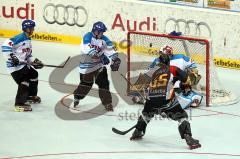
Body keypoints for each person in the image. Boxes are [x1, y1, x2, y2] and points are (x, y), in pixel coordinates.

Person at [130, 52, 201, 150]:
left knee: (146, 114)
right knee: (182, 117)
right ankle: (188, 137)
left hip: (151, 101)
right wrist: (185, 85)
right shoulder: (173, 69)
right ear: (168, 62)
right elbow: (187, 80)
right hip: (166, 101)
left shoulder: (153, 70)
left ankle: (138, 131)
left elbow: (142, 81)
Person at [130, 45, 202, 109]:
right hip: (166, 83)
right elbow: (149, 73)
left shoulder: (180, 58)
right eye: (162, 55)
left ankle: (187, 89)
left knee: (185, 78)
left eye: (165, 55)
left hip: (177, 80)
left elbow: (192, 64)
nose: (163, 57)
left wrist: (193, 72)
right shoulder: (157, 61)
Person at [73, 21, 121, 111]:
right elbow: (90, 52)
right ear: (95, 31)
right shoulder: (87, 37)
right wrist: (101, 57)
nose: (102, 34)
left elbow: (111, 50)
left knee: (104, 83)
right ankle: (77, 96)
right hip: (86, 67)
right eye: (100, 32)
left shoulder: (104, 39)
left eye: (103, 32)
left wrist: (115, 60)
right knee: (86, 85)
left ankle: (107, 103)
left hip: (99, 66)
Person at [1, 19, 44, 112]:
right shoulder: (20, 37)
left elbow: (28, 56)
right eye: (32, 28)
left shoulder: (28, 40)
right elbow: (5, 46)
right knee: (24, 81)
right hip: (14, 67)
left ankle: (30, 96)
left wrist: (35, 61)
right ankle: (19, 104)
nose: (33, 30)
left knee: (34, 74)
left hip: (23, 66)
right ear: (27, 29)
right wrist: (12, 57)